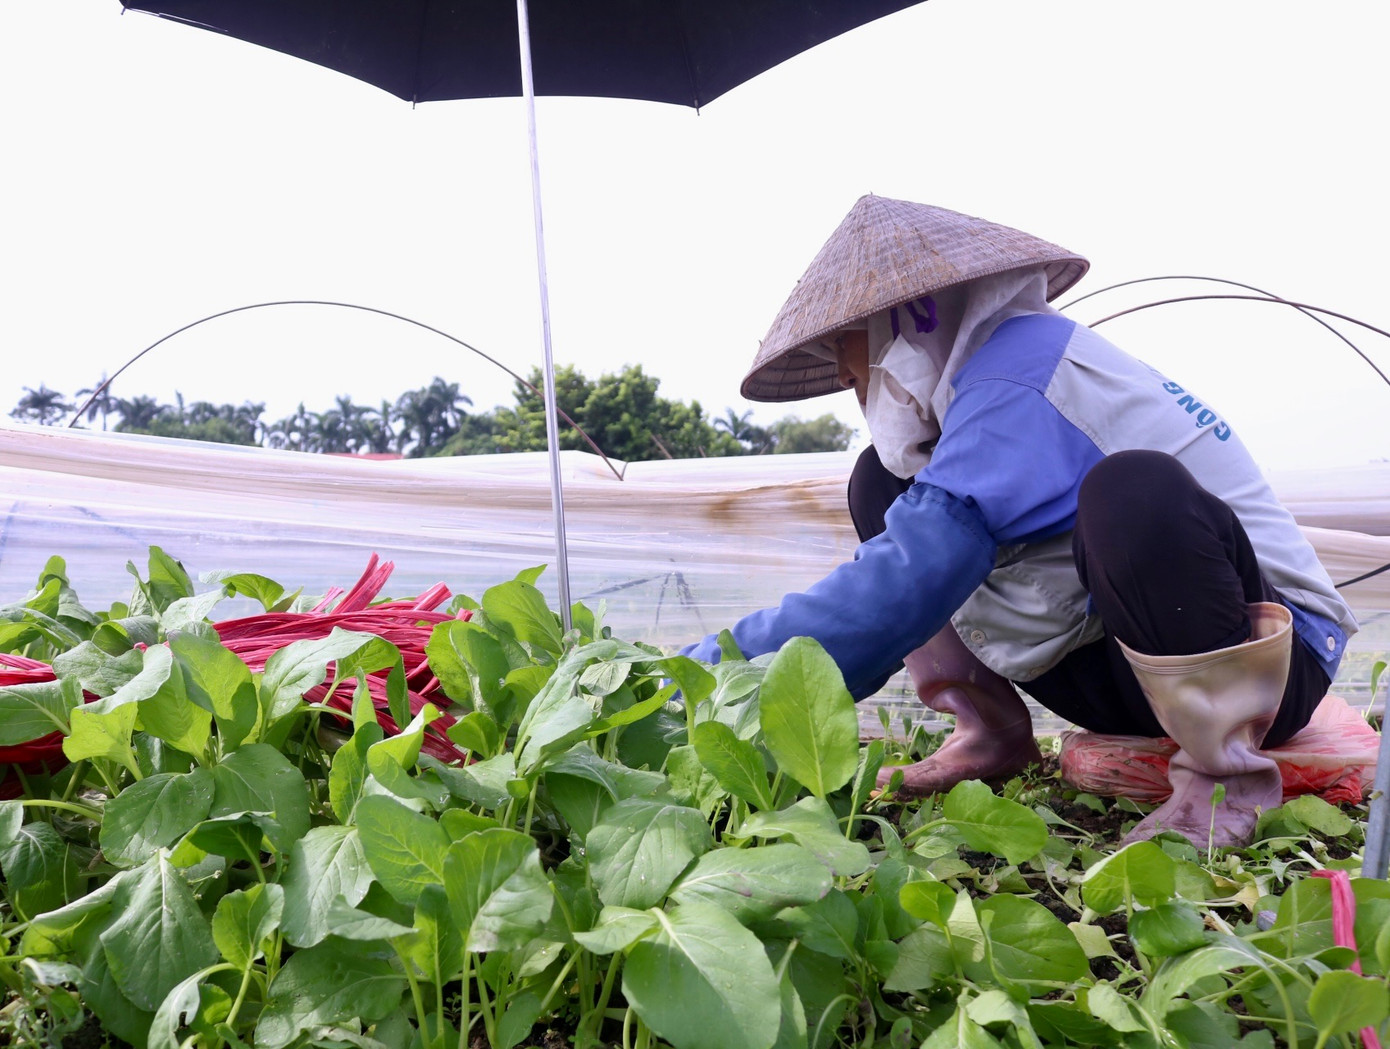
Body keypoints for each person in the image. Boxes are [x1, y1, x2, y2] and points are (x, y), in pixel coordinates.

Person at [682, 195, 1356, 848]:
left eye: (847, 353)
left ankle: (1224, 783)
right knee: (884, 484)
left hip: (1269, 656)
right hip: (1132, 671)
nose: (848, 375)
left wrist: (712, 679)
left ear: (903, 327)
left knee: (1131, 495)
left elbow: (910, 576)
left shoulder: (1022, 376)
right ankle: (988, 734)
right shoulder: (978, 390)